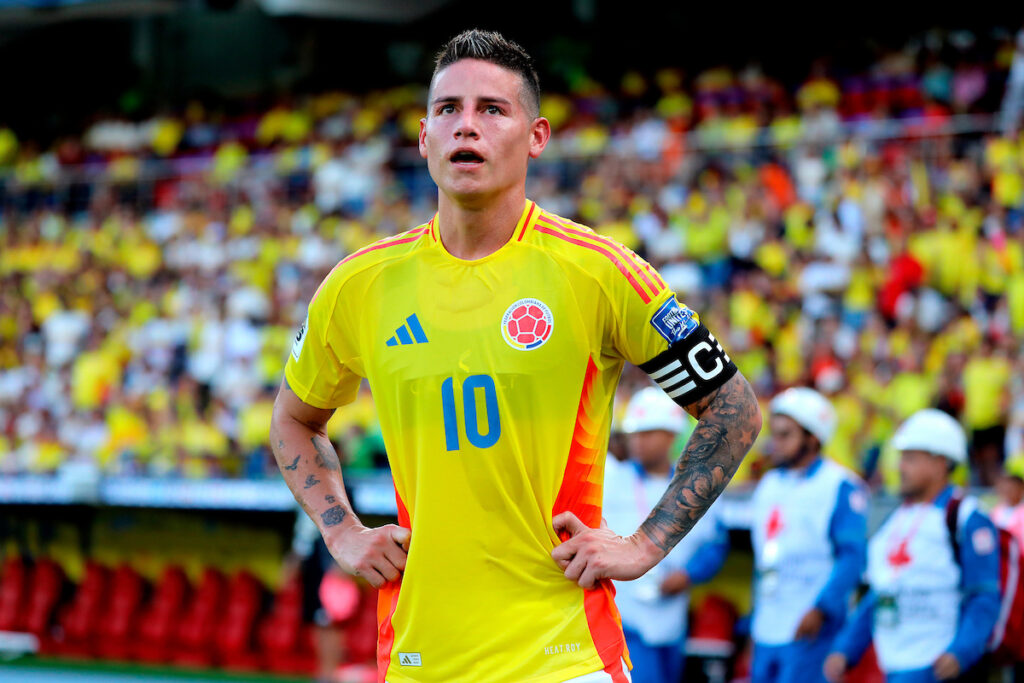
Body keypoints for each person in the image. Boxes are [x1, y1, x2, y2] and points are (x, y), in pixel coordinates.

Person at [269, 29, 761, 683]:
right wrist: (342, 531)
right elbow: (293, 418)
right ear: (423, 137)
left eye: (491, 109)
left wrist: (645, 543)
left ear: (536, 136)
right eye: (448, 109)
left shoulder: (597, 272)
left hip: (564, 657)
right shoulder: (359, 286)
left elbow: (734, 407)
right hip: (423, 658)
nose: (465, 125)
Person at [824, 409, 1001, 683]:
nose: (900, 467)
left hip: (938, 667)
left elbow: (984, 596)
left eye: (910, 459)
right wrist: (845, 650)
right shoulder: (894, 521)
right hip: (894, 666)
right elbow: (880, 594)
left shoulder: (967, 516)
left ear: (940, 462)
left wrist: (961, 652)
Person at [603, 387, 729, 683]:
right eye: (634, 434)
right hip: (624, 618)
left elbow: (715, 544)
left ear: (671, 435)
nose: (638, 441)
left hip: (671, 620)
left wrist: (688, 575)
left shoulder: (697, 485)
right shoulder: (611, 478)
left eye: (648, 433)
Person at [750, 387, 868, 683]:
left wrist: (822, 608)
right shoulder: (768, 485)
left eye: (785, 435)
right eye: (773, 434)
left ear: (813, 438)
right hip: (767, 627)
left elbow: (853, 558)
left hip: (812, 630)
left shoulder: (840, 485)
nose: (774, 443)